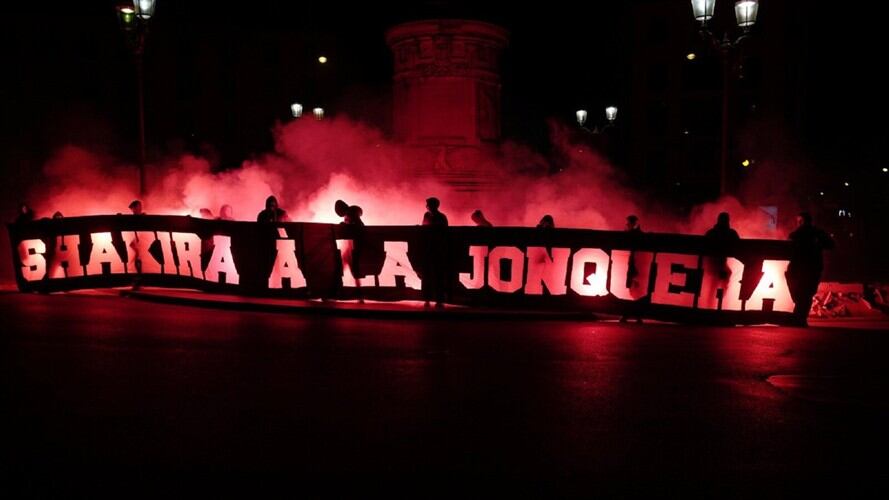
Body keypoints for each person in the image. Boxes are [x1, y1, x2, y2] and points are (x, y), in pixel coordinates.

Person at [787, 212, 835, 326]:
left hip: (800, 268)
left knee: (800, 293)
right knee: (807, 294)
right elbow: (831, 244)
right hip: (813, 268)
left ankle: (799, 318)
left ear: (802, 221)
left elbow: (789, 247)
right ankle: (800, 318)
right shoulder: (817, 233)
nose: (798, 224)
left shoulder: (797, 234)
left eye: (799, 222)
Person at [422, 197, 449, 308]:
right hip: (428, 249)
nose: (426, 206)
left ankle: (439, 299)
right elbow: (424, 228)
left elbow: (444, 233)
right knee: (427, 275)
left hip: (438, 249)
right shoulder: (427, 215)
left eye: (428, 204)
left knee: (438, 275)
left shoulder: (441, 217)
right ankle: (427, 298)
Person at [620, 214, 645, 323]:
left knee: (634, 291)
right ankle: (634, 315)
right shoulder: (636, 233)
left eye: (628, 222)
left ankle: (632, 315)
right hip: (634, 265)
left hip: (635, 266)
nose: (626, 224)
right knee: (633, 291)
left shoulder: (635, 233)